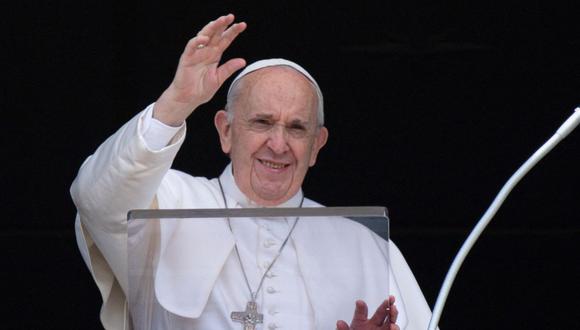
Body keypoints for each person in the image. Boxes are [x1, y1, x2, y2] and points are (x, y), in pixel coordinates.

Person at [71, 14, 434, 330]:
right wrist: (175, 105)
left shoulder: (365, 246)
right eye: (262, 122)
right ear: (225, 131)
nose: (278, 144)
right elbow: (96, 198)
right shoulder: (168, 204)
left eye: (296, 128)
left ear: (316, 146)